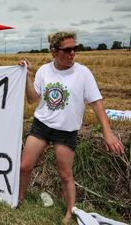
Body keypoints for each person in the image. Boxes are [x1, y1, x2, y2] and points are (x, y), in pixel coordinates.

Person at [18, 31, 124, 224]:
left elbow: (97, 103)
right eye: (67, 50)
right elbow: (33, 99)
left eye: (75, 49)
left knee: (65, 174)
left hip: (66, 132)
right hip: (41, 125)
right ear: (54, 52)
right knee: (24, 166)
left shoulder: (83, 73)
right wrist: (28, 77)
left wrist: (107, 133)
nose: (72, 53)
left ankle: (69, 212)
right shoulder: (44, 70)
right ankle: (20, 199)